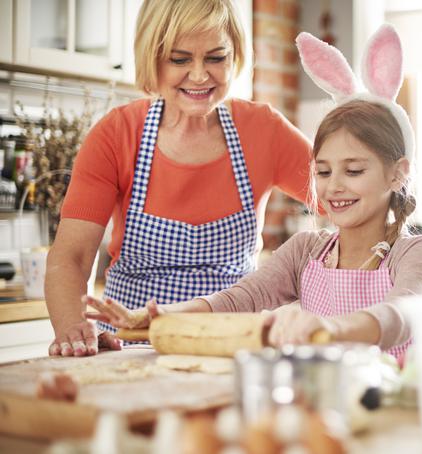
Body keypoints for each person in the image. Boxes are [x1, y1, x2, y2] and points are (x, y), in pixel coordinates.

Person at [86, 25, 422, 362]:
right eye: (322, 171)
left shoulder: (413, 253)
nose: (334, 185)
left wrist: (332, 328)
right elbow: (239, 299)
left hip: (392, 407)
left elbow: (404, 314)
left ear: (397, 174)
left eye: (353, 170)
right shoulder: (307, 251)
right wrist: (159, 316)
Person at [46, 0, 313, 357]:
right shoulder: (116, 134)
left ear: (235, 55)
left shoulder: (264, 130)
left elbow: (347, 193)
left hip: (233, 348)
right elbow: (72, 258)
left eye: (216, 58)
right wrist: (74, 329)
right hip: (129, 347)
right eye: (180, 59)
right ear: (151, 57)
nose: (200, 75)